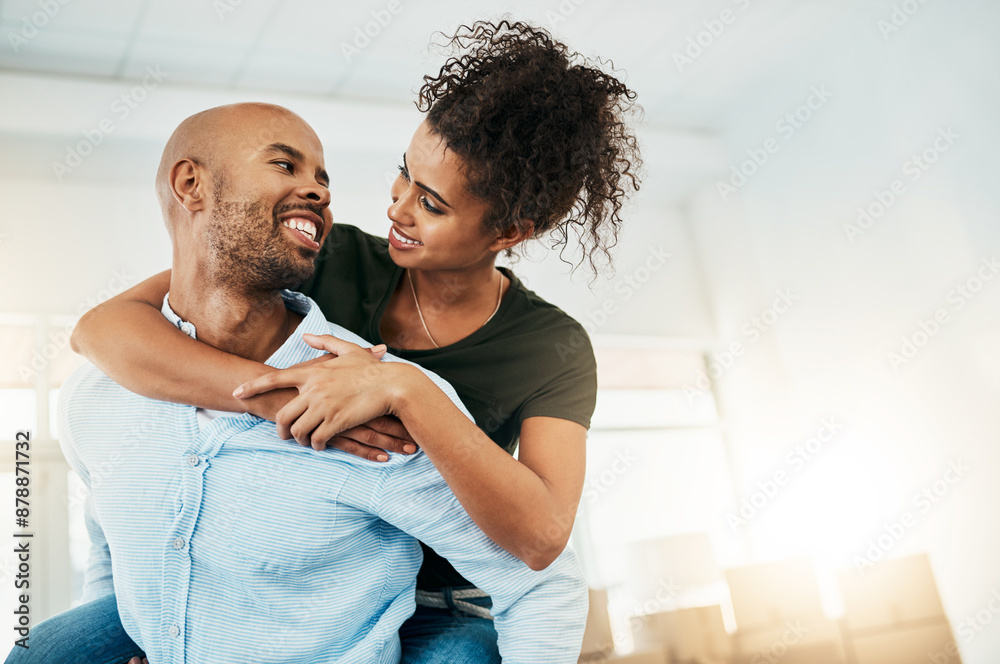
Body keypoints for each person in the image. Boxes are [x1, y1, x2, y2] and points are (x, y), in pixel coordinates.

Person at [69, 20, 640, 663]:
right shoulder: (326, 254)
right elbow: (100, 330)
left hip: (448, 599)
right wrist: (270, 399)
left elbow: (540, 540)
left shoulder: (549, 345)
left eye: (431, 202)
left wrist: (405, 387)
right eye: (404, 175)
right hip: (311, 578)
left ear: (510, 231)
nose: (396, 207)